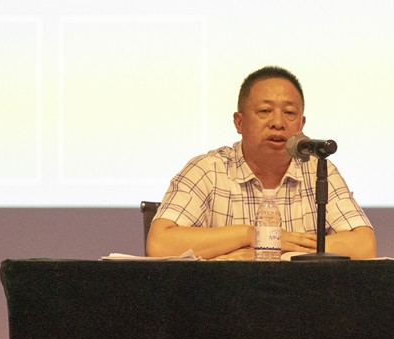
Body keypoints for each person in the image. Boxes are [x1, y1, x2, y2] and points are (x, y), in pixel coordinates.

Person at [147, 66, 376, 260]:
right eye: (265, 111)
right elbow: (159, 244)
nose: (278, 122)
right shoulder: (208, 170)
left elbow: (364, 246)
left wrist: (279, 249)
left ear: (302, 124)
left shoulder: (318, 170)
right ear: (239, 122)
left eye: (289, 113)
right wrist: (251, 235)